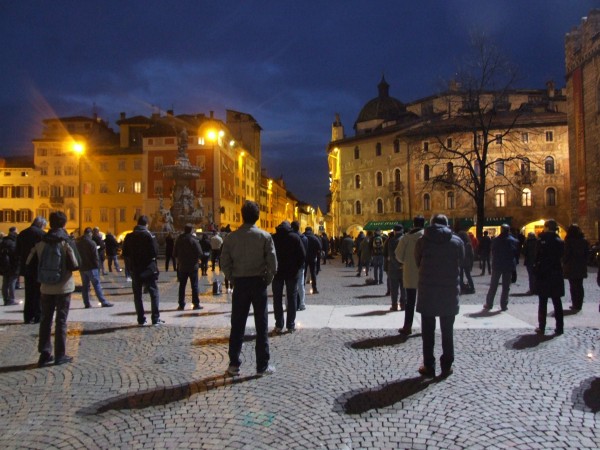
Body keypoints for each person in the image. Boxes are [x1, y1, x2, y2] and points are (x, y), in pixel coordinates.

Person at [220, 200, 277, 377]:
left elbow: (224, 262)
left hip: (240, 283)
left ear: (242, 216)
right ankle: (262, 365)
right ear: (257, 216)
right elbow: (273, 264)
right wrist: (266, 280)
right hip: (258, 282)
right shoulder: (265, 237)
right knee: (262, 325)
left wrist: (232, 277)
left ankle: (234, 364)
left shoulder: (231, 238)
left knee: (237, 324)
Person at [26, 211, 79, 367]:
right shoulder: (65, 241)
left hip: (46, 287)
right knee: (61, 321)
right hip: (63, 287)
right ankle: (60, 355)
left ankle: (44, 353)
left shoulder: (41, 242)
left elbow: (29, 262)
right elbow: (75, 263)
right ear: (64, 224)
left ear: (50, 223)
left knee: (45, 320)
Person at [414, 214, 464, 378]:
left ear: (432, 224)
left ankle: (429, 365)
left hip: (427, 292)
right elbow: (463, 262)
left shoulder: (422, 241)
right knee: (447, 331)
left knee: (427, 333)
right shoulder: (457, 242)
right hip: (449, 292)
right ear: (447, 224)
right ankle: (447, 365)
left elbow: (417, 261)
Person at [121, 215, 163, 326]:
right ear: (146, 224)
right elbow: (155, 252)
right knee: (154, 293)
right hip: (148, 268)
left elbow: (125, 253)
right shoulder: (149, 235)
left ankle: (141, 319)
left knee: (137, 295)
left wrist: (130, 266)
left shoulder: (129, 236)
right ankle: (155, 318)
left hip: (135, 269)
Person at [271, 221, 305, 333]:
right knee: (292, 298)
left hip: (277, 272)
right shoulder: (295, 237)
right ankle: (290, 325)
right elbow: (302, 255)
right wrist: (297, 267)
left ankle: (279, 325)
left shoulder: (274, 237)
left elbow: (269, 254)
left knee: (277, 299)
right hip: (292, 272)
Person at [395, 216, 426, 336]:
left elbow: (398, 255)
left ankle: (407, 327)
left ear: (413, 224)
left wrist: (406, 262)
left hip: (410, 272)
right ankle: (427, 327)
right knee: (425, 301)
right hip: (425, 272)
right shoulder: (427, 236)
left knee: (410, 301)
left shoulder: (406, 238)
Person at [534, 219, 565, 335]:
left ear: (546, 227)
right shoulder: (560, 241)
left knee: (543, 302)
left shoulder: (541, 240)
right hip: (556, 273)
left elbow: (537, 256)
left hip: (543, 274)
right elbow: (562, 257)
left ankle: (542, 327)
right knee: (557, 302)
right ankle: (560, 327)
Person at [16, 216, 47, 324]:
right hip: (38, 267)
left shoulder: (22, 233)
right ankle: (37, 316)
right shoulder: (42, 234)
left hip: (27, 267)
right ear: (41, 225)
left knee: (28, 292)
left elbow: (18, 251)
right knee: (39, 293)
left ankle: (28, 316)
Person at [75, 227, 114, 308]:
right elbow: (95, 256)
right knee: (96, 285)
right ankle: (103, 301)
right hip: (92, 267)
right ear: (89, 233)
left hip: (82, 268)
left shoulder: (78, 243)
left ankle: (87, 303)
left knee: (85, 286)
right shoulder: (91, 243)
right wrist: (97, 266)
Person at [484, 224, 519, 311]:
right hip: (508, 265)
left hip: (498, 265)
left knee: (494, 285)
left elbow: (493, 251)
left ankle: (489, 303)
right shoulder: (513, 241)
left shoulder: (496, 240)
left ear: (502, 230)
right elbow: (516, 253)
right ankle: (504, 305)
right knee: (506, 286)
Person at [173, 224, 203, 310]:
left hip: (182, 266)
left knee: (182, 286)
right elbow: (200, 252)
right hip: (193, 266)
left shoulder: (179, 240)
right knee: (194, 285)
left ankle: (181, 304)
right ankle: (196, 304)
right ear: (191, 230)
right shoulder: (193, 240)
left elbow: (174, 253)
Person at [562, 224, 590, 312]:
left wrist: (564, 262)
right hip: (581, 266)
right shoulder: (584, 241)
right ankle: (579, 304)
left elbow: (566, 255)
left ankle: (575, 304)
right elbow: (587, 255)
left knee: (573, 286)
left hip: (571, 267)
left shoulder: (569, 241)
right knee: (579, 286)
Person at [385, 224, 405, 311]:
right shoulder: (405, 240)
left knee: (394, 288)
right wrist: (402, 265)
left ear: (394, 231)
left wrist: (397, 265)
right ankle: (403, 304)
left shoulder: (391, 240)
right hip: (405, 268)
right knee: (404, 288)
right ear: (402, 230)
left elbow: (391, 254)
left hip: (393, 268)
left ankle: (394, 305)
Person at [291, 221, 308, 310]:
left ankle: (290, 304)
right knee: (301, 285)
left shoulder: (289, 237)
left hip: (291, 264)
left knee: (290, 286)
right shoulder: (304, 238)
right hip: (301, 264)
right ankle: (302, 303)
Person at [0, 227, 19, 305]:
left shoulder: (3, 241)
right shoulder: (14, 242)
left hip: (4, 265)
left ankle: (5, 299)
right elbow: (16, 254)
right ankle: (12, 299)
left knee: (5, 282)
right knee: (12, 282)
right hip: (12, 265)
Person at [303, 226, 322, 294]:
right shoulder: (314, 238)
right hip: (312, 258)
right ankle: (314, 288)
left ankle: (302, 289)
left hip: (304, 258)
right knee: (313, 273)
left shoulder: (302, 237)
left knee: (303, 274)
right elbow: (319, 247)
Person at [457, 230, 475, 294]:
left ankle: (462, 287)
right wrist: (471, 264)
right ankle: (472, 288)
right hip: (467, 263)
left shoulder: (459, 244)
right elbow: (472, 255)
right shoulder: (468, 244)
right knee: (468, 276)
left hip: (461, 262)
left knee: (461, 276)